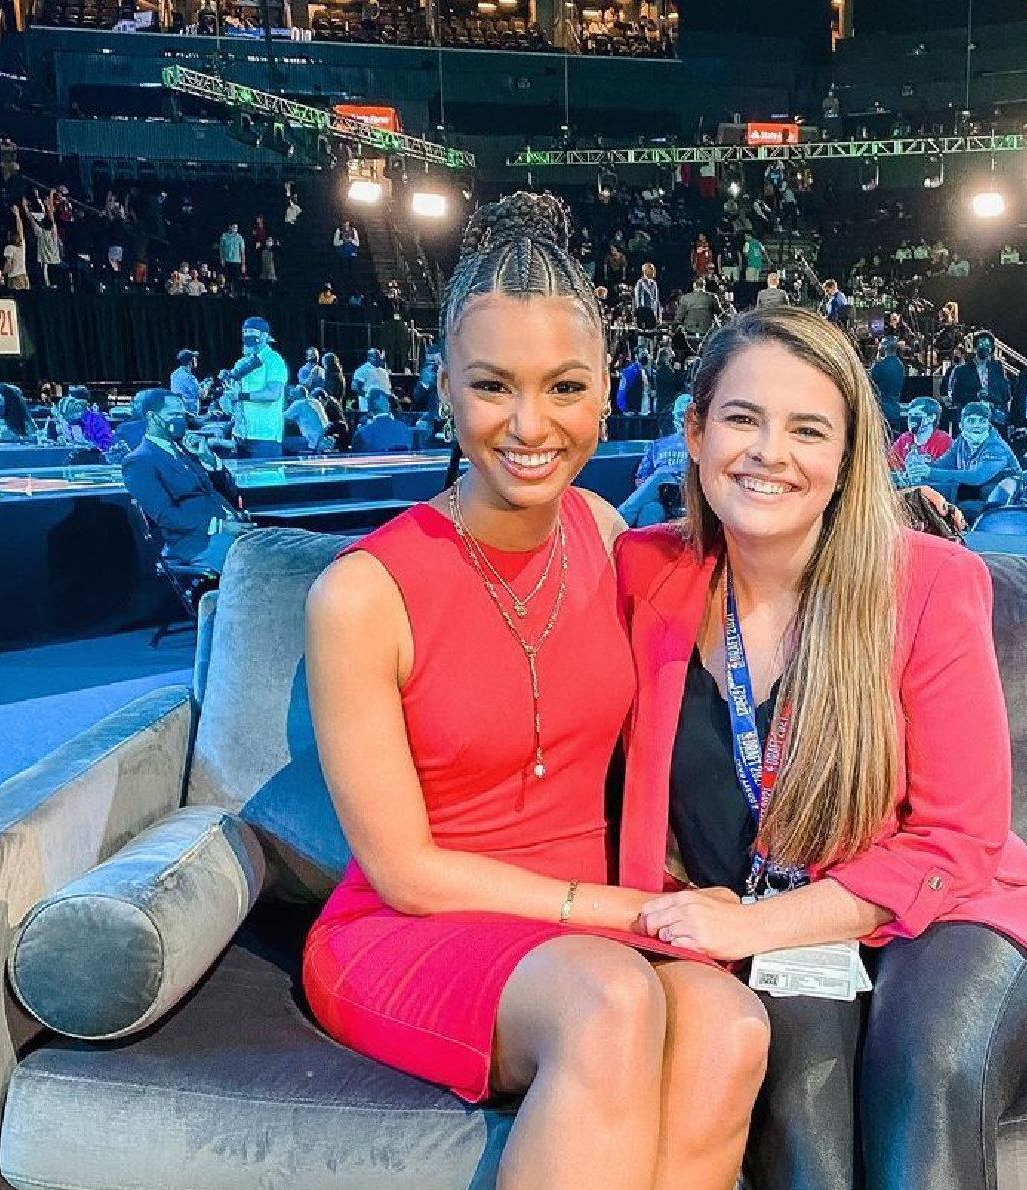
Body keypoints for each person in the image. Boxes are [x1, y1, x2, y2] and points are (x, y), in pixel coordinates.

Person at [300, 192, 768, 1190]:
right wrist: (614, 908)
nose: (528, 424)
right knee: (611, 999)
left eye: (562, 387)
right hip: (411, 927)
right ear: (442, 389)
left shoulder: (602, 528)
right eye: (491, 386)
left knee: (729, 1023)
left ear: (606, 391)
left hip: (591, 924)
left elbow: (759, 556)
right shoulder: (360, 593)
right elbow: (407, 871)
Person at [616, 306, 1027, 1190]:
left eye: (808, 429)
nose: (768, 453)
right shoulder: (641, 573)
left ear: (848, 457)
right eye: (742, 419)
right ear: (695, 433)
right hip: (768, 927)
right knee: (807, 1135)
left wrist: (751, 925)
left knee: (924, 1081)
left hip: (949, 911)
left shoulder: (930, 582)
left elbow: (960, 841)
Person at [121, 388, 252, 573]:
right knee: (261, 569)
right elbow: (165, 516)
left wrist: (208, 458)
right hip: (198, 542)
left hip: (234, 529)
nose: (180, 419)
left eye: (181, 414)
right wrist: (220, 526)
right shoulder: (139, 461)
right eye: (173, 414)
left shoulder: (188, 449)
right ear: (152, 417)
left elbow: (230, 491)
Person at [908, 401, 1021, 522]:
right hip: (976, 496)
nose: (977, 426)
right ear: (961, 425)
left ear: (989, 425)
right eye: (971, 421)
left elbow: (977, 476)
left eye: (982, 421)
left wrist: (929, 472)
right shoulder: (961, 441)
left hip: (1004, 508)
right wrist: (919, 468)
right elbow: (942, 466)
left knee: (951, 509)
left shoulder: (996, 447)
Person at [619, 392, 694, 528]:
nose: (682, 420)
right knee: (650, 510)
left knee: (661, 476)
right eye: (679, 415)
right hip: (660, 493)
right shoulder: (659, 444)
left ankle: (619, 519)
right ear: (673, 416)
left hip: (686, 492)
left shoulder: (700, 444)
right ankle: (638, 545)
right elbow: (642, 476)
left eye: (686, 416)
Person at [220, 316, 289, 457]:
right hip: (240, 435)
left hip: (264, 436)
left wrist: (240, 396)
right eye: (245, 332)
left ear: (264, 336)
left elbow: (273, 394)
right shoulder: (241, 363)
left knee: (266, 478)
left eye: (252, 332)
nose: (247, 335)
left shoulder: (274, 360)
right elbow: (233, 394)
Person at [886, 396, 951, 479]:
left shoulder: (944, 441)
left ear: (931, 418)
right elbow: (889, 466)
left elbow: (946, 474)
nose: (911, 419)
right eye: (910, 414)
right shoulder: (904, 439)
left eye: (917, 414)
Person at [867, 336, 906, 430]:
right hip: (895, 410)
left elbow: (868, 381)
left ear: (883, 349)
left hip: (881, 410)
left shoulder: (880, 366)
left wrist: (877, 358)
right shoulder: (900, 365)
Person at [674, 277, 721, 344]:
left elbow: (678, 318)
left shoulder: (685, 298)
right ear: (704, 286)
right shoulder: (712, 297)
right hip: (707, 332)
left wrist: (673, 330)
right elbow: (720, 314)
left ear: (694, 286)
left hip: (690, 332)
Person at [170, 349, 203, 413]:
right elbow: (200, 395)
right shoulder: (187, 376)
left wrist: (200, 385)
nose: (196, 360)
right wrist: (207, 387)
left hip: (178, 410)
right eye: (194, 358)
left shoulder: (175, 373)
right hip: (189, 413)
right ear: (190, 361)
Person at [632, 262, 661, 331]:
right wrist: (636, 313)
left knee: (651, 331)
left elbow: (656, 300)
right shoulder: (640, 282)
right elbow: (637, 299)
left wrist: (658, 315)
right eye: (651, 269)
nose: (653, 271)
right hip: (642, 310)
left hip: (651, 311)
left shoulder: (654, 283)